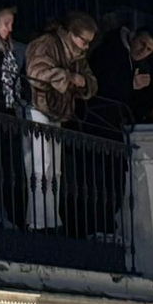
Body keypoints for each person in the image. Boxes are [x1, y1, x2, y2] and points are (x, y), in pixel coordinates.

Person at [23, 12, 98, 231]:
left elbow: (91, 82)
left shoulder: (78, 56)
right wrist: (66, 77)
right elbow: (35, 71)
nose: (85, 47)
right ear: (70, 34)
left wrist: (83, 83)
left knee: (54, 169)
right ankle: (37, 220)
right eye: (83, 41)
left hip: (58, 112)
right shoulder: (46, 43)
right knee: (40, 164)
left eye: (88, 43)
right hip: (37, 107)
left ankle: (50, 218)